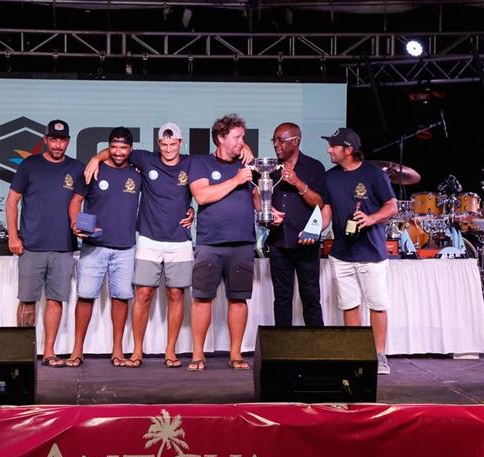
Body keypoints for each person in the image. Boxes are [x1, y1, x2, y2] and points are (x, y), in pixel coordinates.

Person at [84, 122, 194, 368]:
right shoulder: (145, 159)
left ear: (180, 142)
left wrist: (192, 211)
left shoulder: (191, 163)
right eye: (163, 144)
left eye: (172, 144)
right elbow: (116, 151)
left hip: (180, 240)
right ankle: (137, 351)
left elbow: (209, 178)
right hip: (147, 238)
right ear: (158, 144)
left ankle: (170, 350)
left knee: (176, 294)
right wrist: (95, 158)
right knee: (143, 294)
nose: (168, 149)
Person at [187, 114, 267, 371]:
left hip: (243, 241)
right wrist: (236, 179)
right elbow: (202, 196)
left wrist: (267, 210)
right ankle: (198, 354)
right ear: (221, 138)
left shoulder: (248, 166)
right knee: (202, 299)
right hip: (210, 243)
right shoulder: (201, 163)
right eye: (237, 137)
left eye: (243, 137)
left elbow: (257, 199)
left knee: (238, 299)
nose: (242, 142)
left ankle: (236, 355)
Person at [320, 127, 398, 374]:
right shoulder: (330, 176)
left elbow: (392, 206)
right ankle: (356, 353)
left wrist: (372, 218)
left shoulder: (374, 174)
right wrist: (312, 230)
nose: (328, 149)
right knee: (349, 304)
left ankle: (379, 356)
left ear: (349, 150)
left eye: (333, 146)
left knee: (376, 304)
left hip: (371, 252)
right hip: (341, 253)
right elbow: (327, 210)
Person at [7, 119, 84, 367]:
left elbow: (79, 203)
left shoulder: (77, 167)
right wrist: (13, 235)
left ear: (68, 141)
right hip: (31, 245)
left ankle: (49, 352)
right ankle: (22, 353)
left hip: (63, 246)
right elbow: (11, 202)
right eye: (53, 139)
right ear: (46, 140)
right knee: (28, 301)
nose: (58, 144)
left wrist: (79, 227)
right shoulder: (30, 164)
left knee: (55, 300)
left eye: (62, 140)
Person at [68, 127, 141, 368]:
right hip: (93, 246)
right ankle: (77, 350)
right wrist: (74, 223)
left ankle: (117, 349)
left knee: (120, 298)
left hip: (125, 247)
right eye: (114, 147)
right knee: (85, 297)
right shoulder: (93, 170)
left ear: (130, 149)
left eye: (123, 147)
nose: (118, 152)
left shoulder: (137, 173)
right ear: (108, 147)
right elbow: (76, 201)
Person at [267, 122, 328, 327]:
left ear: (296, 141)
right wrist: (267, 212)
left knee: (311, 298)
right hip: (278, 243)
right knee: (282, 300)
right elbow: (257, 195)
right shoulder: (269, 168)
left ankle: (317, 352)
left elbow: (319, 203)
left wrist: (298, 183)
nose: (276, 145)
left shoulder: (314, 167)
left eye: (280, 140)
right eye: (274, 140)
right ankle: (282, 352)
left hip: (306, 244)